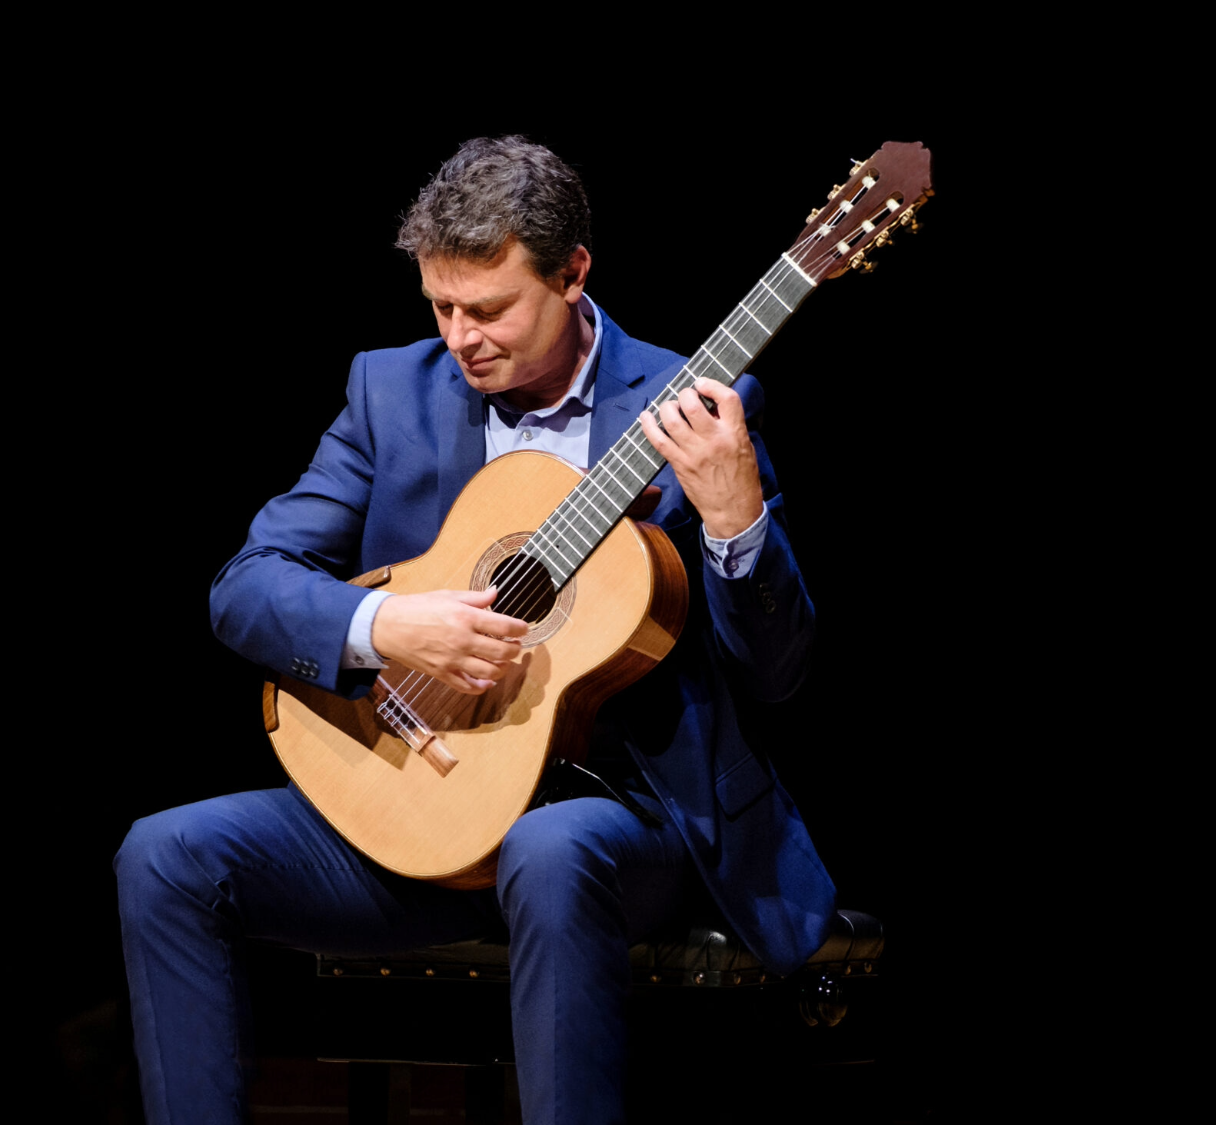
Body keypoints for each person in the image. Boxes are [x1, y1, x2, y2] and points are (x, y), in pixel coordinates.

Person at [115, 136, 834, 1125]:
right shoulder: (389, 394)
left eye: (489, 309)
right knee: (164, 855)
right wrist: (388, 624)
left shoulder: (693, 409)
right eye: (441, 308)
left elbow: (778, 675)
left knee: (550, 850)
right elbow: (245, 589)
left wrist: (735, 519)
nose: (460, 337)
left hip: (623, 814)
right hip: (431, 798)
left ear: (573, 273)